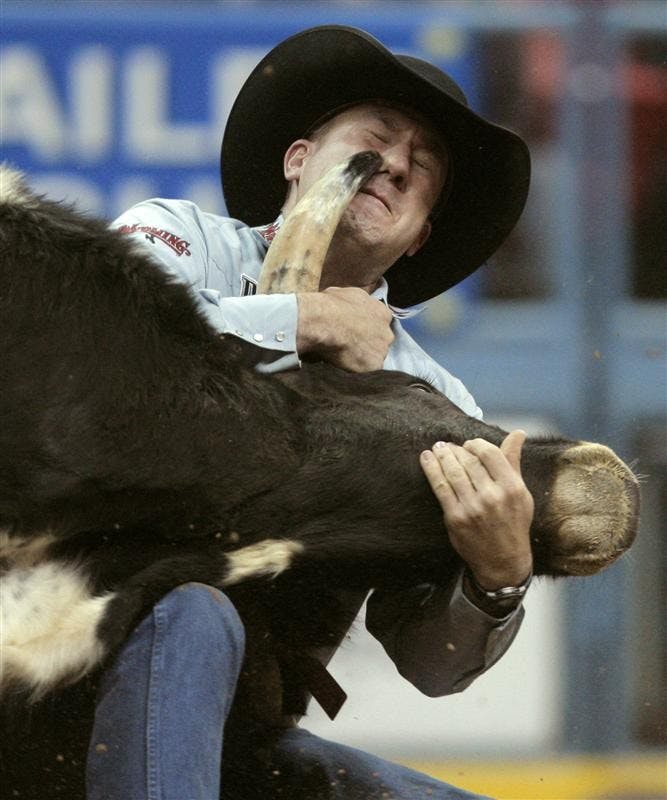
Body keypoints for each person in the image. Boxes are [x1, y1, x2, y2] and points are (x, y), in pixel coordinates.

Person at [92, 25, 534, 800]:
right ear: (298, 161)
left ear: (417, 236)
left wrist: (495, 581)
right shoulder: (178, 236)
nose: (393, 163)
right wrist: (300, 322)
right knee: (195, 615)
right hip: (62, 655)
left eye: (421, 166)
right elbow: (101, 342)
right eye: (373, 138)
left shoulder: (439, 406)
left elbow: (430, 666)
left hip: (243, 737)